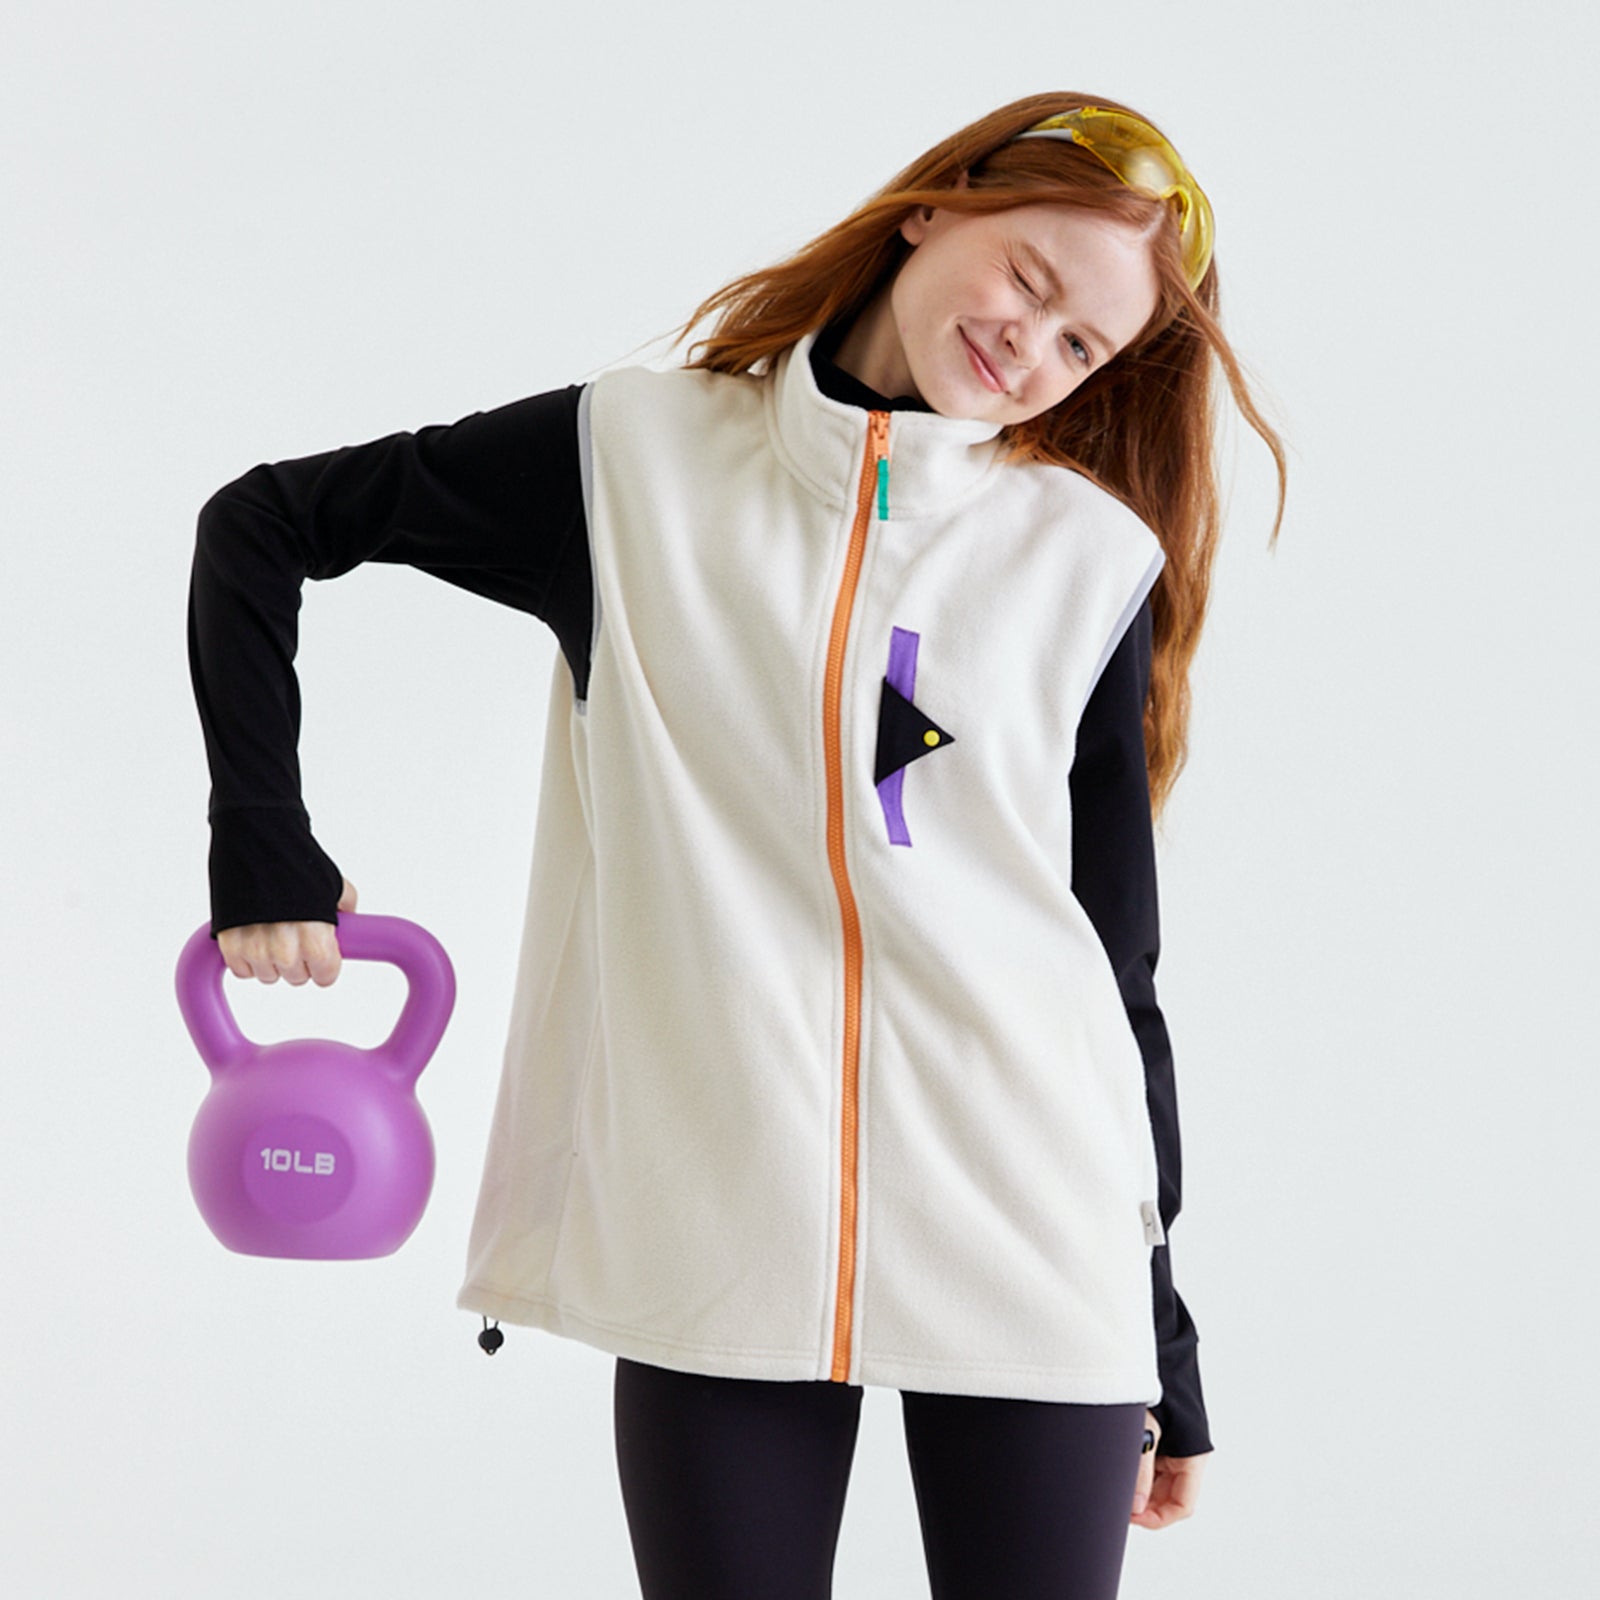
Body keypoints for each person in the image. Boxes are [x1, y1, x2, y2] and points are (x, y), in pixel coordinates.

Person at [189, 91, 1285, 1600]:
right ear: (934, 207)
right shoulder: (628, 463)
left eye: (1080, 345)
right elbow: (260, 526)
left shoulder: (1086, 561)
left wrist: (1165, 1328)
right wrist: (261, 838)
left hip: (1040, 1231)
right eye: (1029, 276)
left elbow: (1114, 967)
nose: (1028, 344)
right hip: (719, 1222)